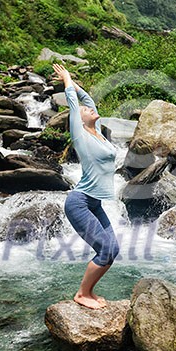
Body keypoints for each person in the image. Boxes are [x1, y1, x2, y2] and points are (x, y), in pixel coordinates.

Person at [53, 63, 119, 309]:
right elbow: (73, 102)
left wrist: (78, 89)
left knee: (112, 250)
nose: (88, 109)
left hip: (94, 203)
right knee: (105, 248)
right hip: (79, 202)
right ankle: (82, 294)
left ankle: (89, 292)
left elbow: (86, 99)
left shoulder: (98, 132)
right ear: (78, 118)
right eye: (83, 110)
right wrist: (67, 79)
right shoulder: (80, 134)